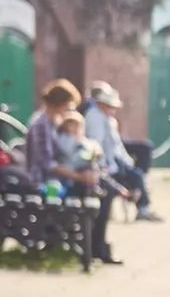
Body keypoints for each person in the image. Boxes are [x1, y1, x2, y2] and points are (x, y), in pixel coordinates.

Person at [22, 79, 118, 263]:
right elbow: (47, 164)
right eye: (69, 104)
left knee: (103, 187)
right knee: (96, 190)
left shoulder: (55, 121)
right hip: (46, 181)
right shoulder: (41, 124)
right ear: (59, 103)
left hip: (62, 175)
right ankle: (94, 247)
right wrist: (79, 176)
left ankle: (96, 245)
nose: (70, 109)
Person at [84, 83, 160, 221]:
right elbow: (96, 143)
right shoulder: (94, 117)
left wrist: (127, 162)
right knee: (136, 176)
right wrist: (102, 166)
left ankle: (142, 206)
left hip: (114, 161)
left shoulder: (108, 119)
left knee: (137, 173)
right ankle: (143, 209)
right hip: (106, 165)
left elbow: (117, 146)